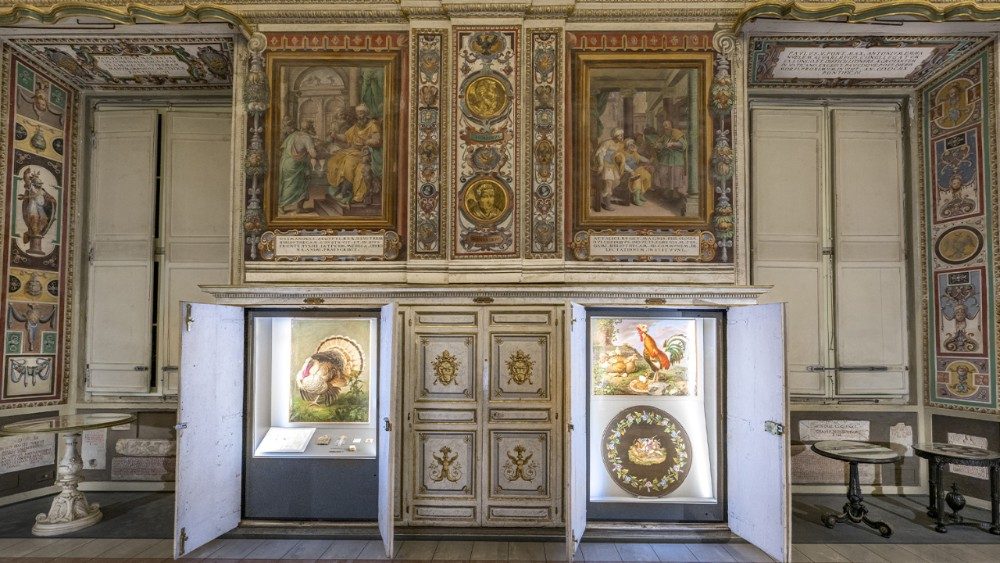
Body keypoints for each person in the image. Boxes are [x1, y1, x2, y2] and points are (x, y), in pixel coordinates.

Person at [326, 103, 382, 204]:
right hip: (353, 150)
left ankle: (344, 192)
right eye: (358, 113)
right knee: (334, 161)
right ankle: (340, 188)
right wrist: (336, 136)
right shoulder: (357, 126)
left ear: (366, 114)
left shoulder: (373, 125)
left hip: (365, 152)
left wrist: (366, 142)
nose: (359, 116)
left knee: (349, 163)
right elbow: (346, 137)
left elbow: (377, 140)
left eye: (361, 113)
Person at [277, 119, 317, 213]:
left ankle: (285, 207)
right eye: (313, 127)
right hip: (297, 165)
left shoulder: (293, 135)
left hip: (286, 163)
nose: (314, 129)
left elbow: (284, 149)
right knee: (300, 185)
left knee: (288, 185)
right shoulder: (306, 137)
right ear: (310, 128)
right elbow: (313, 154)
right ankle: (289, 206)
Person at [651, 118, 688, 198]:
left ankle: (675, 192)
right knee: (663, 174)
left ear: (671, 125)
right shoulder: (665, 135)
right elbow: (659, 143)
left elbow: (684, 144)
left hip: (676, 159)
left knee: (675, 175)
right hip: (665, 158)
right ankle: (667, 190)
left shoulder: (676, 133)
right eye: (664, 125)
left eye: (666, 125)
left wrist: (673, 144)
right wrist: (658, 145)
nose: (665, 127)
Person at [594, 128, 625, 210]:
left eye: (622, 135)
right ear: (615, 135)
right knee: (609, 183)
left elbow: (619, 156)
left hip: (613, 166)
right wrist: (601, 164)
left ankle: (603, 196)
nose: (622, 137)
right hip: (606, 166)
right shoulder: (607, 143)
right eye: (620, 135)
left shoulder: (619, 145)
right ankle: (607, 204)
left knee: (616, 181)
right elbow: (600, 153)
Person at [621, 138, 653, 205]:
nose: (633, 146)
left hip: (637, 170)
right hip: (628, 172)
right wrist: (631, 171)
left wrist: (648, 160)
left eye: (633, 144)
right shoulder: (623, 154)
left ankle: (641, 193)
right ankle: (636, 197)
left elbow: (641, 158)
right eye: (631, 145)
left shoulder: (634, 153)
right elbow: (624, 165)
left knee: (648, 176)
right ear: (627, 146)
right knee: (637, 179)